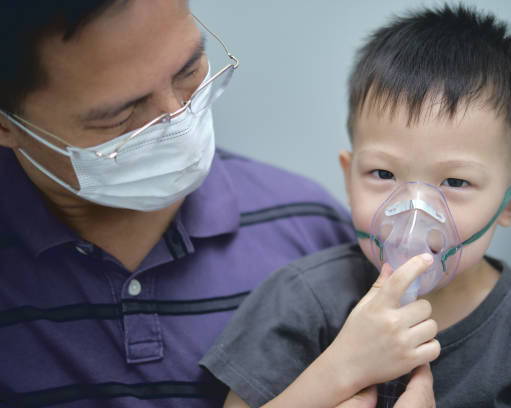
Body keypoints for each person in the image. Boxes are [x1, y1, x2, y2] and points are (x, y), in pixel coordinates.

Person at [201, 4, 511, 407]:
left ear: (507, 208)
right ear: (349, 176)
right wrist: (337, 372)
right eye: (383, 174)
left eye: (455, 182)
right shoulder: (298, 301)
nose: (415, 212)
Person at [0, 1, 370, 407]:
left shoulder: (310, 230)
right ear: (7, 123)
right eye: (121, 116)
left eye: (189, 72)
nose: (178, 120)